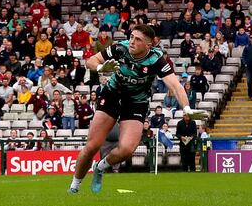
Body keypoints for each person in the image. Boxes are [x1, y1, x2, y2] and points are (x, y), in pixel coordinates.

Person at [68, 24, 206, 194]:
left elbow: (176, 86)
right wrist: (100, 68)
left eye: (138, 39)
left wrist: (187, 109)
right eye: (132, 36)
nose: (132, 41)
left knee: (127, 149)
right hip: (112, 95)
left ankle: (100, 167)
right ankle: (74, 186)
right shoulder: (120, 48)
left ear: (149, 45)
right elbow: (91, 60)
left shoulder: (157, 59)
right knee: (92, 146)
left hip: (136, 102)